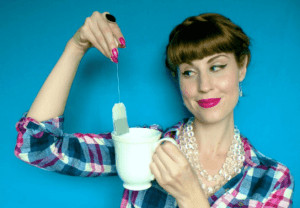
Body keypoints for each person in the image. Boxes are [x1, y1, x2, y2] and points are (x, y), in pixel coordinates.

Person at [15, 11, 294, 207]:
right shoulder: (144, 148)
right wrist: (76, 46)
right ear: (177, 80)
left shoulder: (271, 179)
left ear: (242, 67)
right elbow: (36, 146)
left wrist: (190, 197)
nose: (204, 85)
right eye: (188, 73)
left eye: (216, 67)